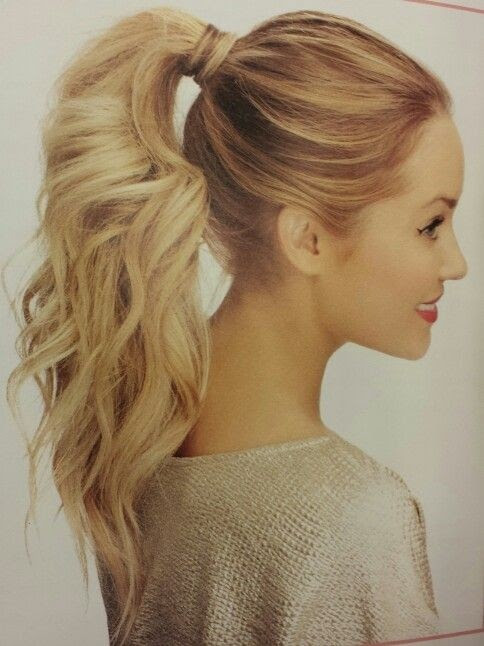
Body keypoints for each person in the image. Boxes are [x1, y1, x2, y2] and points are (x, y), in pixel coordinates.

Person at [3, 6, 468, 646]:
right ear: (306, 239)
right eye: (431, 225)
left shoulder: (135, 443)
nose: (457, 263)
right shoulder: (356, 520)